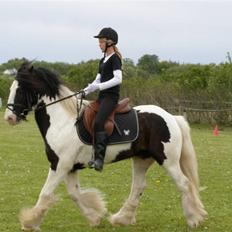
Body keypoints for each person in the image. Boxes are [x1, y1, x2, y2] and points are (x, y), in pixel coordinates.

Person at [84, 27, 123, 171]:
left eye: (101, 41)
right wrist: (86, 90)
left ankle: (99, 159)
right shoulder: (103, 60)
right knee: (88, 116)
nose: (99, 44)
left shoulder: (115, 59)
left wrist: (99, 87)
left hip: (111, 98)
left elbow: (118, 79)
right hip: (101, 97)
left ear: (110, 42)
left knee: (99, 121)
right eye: (99, 42)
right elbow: (98, 79)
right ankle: (92, 155)